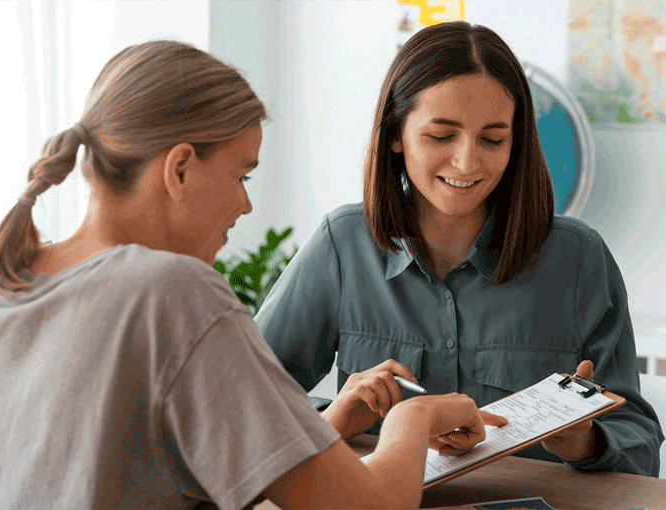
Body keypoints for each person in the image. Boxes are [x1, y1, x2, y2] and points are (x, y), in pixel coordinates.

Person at [0, 40, 509, 510]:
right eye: (241, 174)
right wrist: (412, 419)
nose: (246, 204)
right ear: (179, 168)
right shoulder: (172, 291)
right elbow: (371, 506)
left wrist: (334, 422)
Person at [256, 21, 664, 476]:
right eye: (441, 135)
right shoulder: (342, 245)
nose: (467, 161)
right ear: (395, 134)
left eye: (493, 139)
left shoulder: (579, 259)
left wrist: (587, 442)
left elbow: (641, 445)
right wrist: (338, 417)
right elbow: (247, 403)